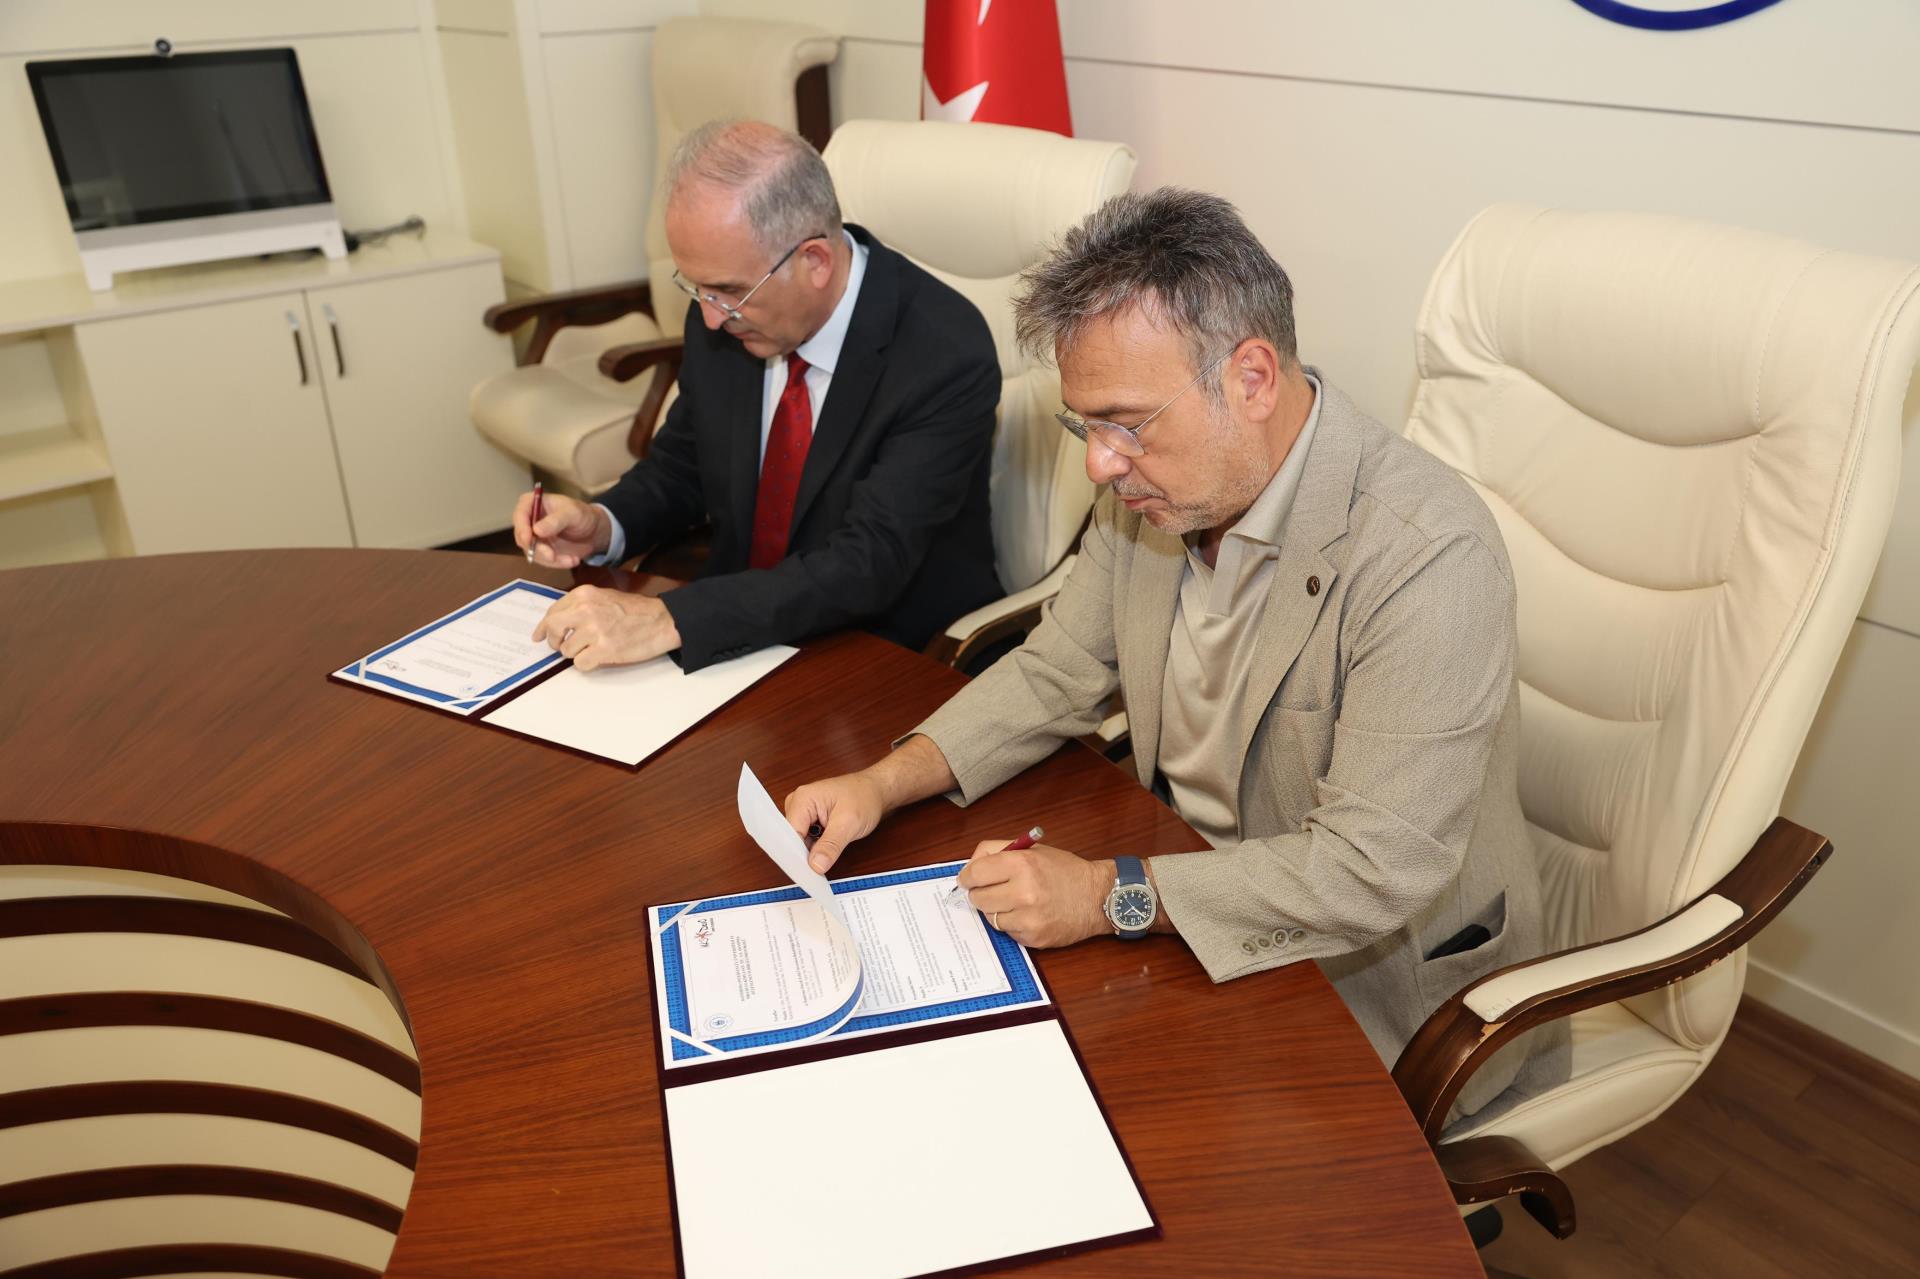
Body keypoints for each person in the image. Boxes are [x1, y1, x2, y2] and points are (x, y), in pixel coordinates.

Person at [784, 187, 1568, 1118]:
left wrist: (1104, 897)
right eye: (1086, 426)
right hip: (1183, 894)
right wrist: (883, 781)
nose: (1099, 464)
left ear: (1252, 379)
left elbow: (1368, 868)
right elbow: (1057, 670)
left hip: (1374, 988)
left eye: (1126, 424)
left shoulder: (1426, 554)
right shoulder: (1155, 491)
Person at [513, 121, 1002, 672]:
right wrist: (603, 521)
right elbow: (685, 465)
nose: (709, 317)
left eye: (727, 291)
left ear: (815, 261)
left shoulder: (943, 352)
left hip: (885, 652)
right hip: (743, 632)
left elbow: (869, 561)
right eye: (696, 287)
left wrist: (671, 618)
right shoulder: (727, 315)